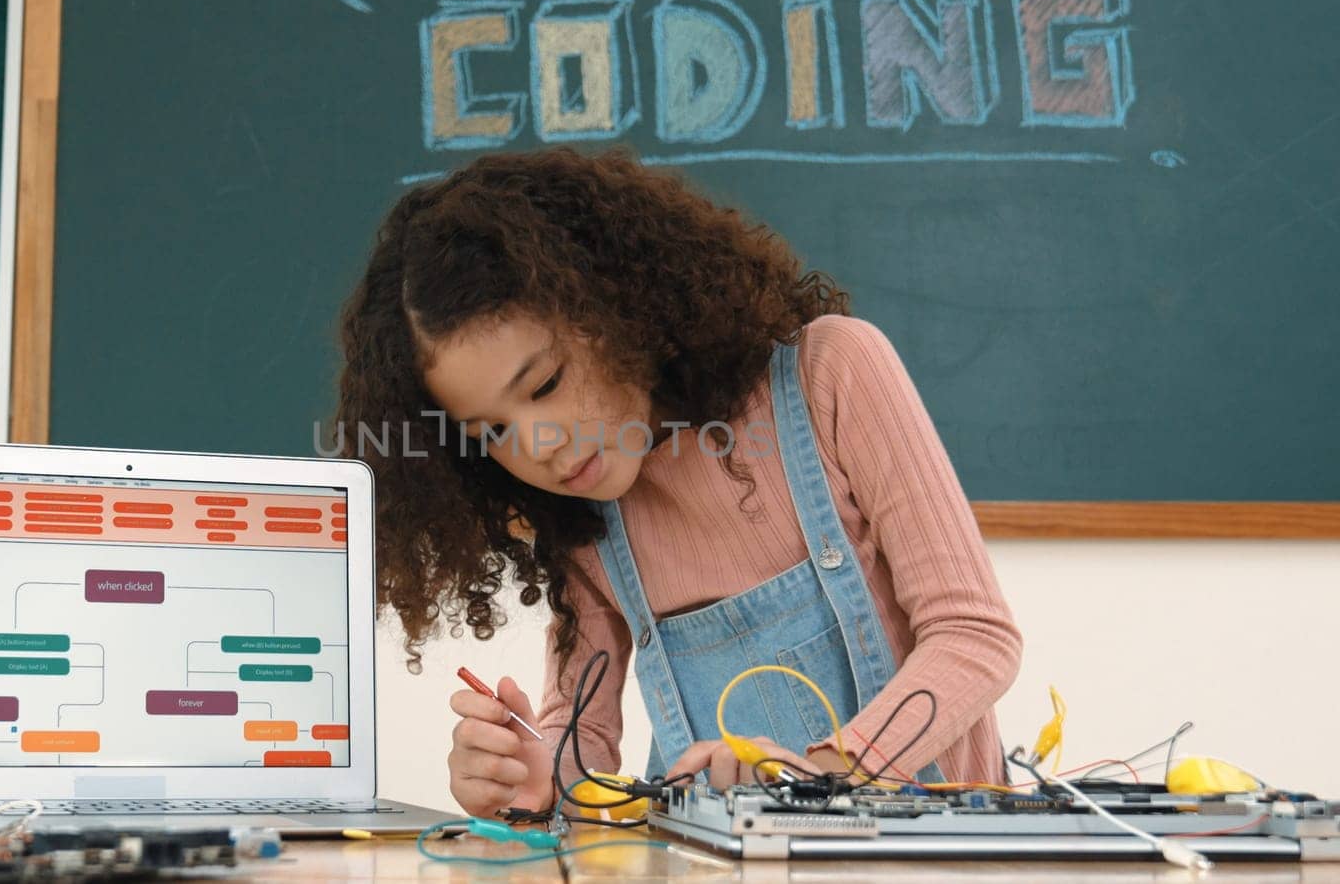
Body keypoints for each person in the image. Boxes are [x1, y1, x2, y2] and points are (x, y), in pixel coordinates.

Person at [333, 148, 1022, 818]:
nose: (539, 446)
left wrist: (828, 774)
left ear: (615, 310)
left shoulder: (830, 374)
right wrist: (539, 773)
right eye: (491, 433)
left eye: (545, 384)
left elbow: (974, 636)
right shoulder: (583, 516)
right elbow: (583, 747)